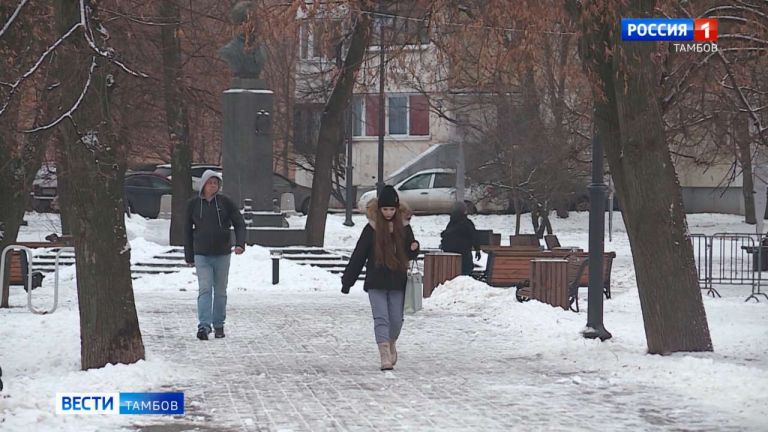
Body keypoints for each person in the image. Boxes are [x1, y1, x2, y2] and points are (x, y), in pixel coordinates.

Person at [341, 185, 420, 371]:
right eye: (385, 209)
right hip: (376, 281)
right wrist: (348, 281)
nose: (388, 213)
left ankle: (391, 342)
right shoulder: (371, 229)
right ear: (379, 209)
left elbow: (409, 253)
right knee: (381, 318)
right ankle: (384, 354)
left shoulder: (404, 227)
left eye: (392, 209)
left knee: (396, 320)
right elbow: (359, 255)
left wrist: (414, 248)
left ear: (397, 209)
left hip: (397, 281)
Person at [185, 170, 246, 340]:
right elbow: (187, 230)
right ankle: (204, 326)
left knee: (220, 291)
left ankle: (219, 324)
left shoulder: (225, 202)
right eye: (210, 183)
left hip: (222, 253)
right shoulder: (193, 204)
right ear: (203, 185)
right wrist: (189, 255)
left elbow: (239, 223)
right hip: (201, 253)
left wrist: (240, 243)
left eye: (216, 183)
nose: (213, 186)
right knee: (205, 289)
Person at [440, 201, 481, 275]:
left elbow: (446, 236)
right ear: (464, 211)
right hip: (464, 254)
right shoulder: (467, 223)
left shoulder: (451, 223)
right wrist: (477, 250)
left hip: (450, 255)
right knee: (466, 271)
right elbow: (474, 236)